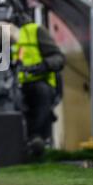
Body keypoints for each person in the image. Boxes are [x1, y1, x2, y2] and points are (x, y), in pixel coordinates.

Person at [13, 22, 65, 152]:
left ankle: (37, 139)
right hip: (10, 87)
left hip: (36, 82)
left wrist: (42, 66)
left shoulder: (35, 31)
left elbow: (59, 58)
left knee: (41, 91)